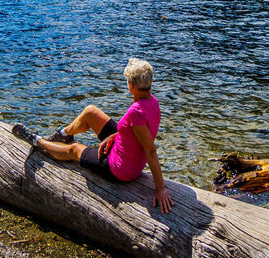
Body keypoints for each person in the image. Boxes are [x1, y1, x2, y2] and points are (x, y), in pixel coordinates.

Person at [12, 58, 173, 214]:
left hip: (121, 169)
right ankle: (62, 135)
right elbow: (135, 131)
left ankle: (37, 140)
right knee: (91, 112)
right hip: (124, 148)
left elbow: (151, 150)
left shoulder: (136, 112)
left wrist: (160, 189)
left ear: (131, 86)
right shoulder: (152, 101)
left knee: (75, 150)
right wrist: (114, 136)